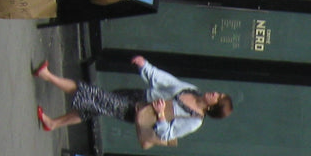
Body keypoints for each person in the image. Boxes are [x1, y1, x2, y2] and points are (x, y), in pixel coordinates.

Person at [34, 57, 234, 146]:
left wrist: (161, 115)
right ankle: (53, 123)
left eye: (217, 97)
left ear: (213, 106)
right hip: (138, 95)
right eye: (217, 92)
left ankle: (47, 75)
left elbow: (167, 134)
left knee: (93, 94)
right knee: (94, 107)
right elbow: (166, 80)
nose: (214, 93)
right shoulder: (192, 90)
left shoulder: (194, 120)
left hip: (137, 112)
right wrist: (145, 66)